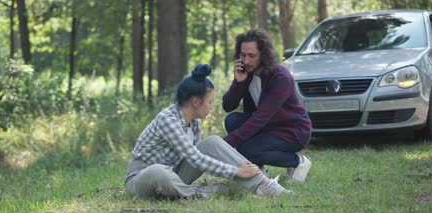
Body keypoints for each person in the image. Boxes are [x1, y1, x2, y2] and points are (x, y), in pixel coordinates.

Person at [125, 64, 292, 199]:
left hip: (175, 173)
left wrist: (237, 166)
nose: (212, 107)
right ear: (196, 101)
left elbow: (201, 155)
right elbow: (196, 159)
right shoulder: (168, 120)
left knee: (212, 141)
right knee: (159, 171)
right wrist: (235, 171)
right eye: (210, 102)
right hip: (143, 178)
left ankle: (262, 184)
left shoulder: (195, 121)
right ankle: (201, 192)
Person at [222, 29, 312, 182]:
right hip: (267, 127)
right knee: (232, 120)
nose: (246, 61)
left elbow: (260, 118)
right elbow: (228, 105)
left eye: (251, 56)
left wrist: (225, 144)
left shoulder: (280, 77)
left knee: (247, 149)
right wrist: (239, 82)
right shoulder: (247, 73)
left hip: (292, 131)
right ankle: (259, 168)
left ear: (263, 55)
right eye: (243, 55)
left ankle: (298, 162)